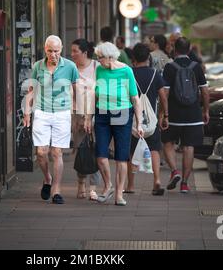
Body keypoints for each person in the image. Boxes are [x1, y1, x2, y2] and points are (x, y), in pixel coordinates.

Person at [84, 41, 144, 206]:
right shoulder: (100, 70)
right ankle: (108, 185)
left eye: (100, 57)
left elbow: (135, 98)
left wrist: (139, 123)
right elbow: (94, 95)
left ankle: (119, 194)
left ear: (110, 57)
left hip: (123, 113)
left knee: (121, 157)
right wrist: (88, 117)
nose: (98, 60)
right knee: (101, 155)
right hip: (102, 113)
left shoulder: (126, 71)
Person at [23, 35, 79, 204]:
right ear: (44, 49)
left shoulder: (70, 66)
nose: (53, 54)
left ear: (61, 50)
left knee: (57, 152)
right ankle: (47, 178)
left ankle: (56, 189)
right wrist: (27, 112)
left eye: (56, 51)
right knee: (41, 152)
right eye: (49, 51)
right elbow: (31, 90)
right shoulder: (37, 66)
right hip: (41, 112)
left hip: (62, 113)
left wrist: (77, 115)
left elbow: (76, 92)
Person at [162, 37, 209, 193]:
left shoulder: (169, 67)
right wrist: (205, 110)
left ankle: (174, 171)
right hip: (193, 115)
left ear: (175, 49)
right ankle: (184, 183)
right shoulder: (197, 67)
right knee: (189, 147)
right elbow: (204, 91)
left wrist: (164, 114)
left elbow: (165, 93)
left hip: (174, 115)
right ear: (189, 50)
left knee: (168, 143)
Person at [125, 43, 169, 195]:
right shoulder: (155, 74)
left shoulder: (129, 73)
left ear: (134, 58)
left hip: (133, 120)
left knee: (131, 152)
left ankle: (130, 185)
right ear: (148, 57)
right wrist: (164, 115)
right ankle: (156, 180)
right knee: (155, 149)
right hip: (151, 120)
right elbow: (163, 97)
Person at [71, 38, 101, 201]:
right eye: (72, 51)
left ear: (85, 52)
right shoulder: (71, 69)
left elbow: (101, 90)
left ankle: (94, 188)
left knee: (96, 149)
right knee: (81, 150)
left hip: (96, 113)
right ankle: (81, 184)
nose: (72, 54)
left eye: (75, 51)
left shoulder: (97, 67)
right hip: (76, 113)